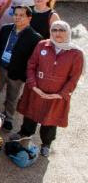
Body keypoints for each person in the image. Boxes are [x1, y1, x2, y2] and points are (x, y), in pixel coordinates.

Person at [15, 21, 84, 157]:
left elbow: (74, 78)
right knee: (30, 114)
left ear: (68, 32)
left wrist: (60, 94)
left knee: (50, 120)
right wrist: (33, 85)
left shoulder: (75, 53)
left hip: (56, 96)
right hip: (36, 91)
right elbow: (31, 65)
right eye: (54, 30)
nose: (57, 33)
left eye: (61, 30)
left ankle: (46, 143)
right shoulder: (42, 45)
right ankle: (25, 134)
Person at [0, 6, 42, 131]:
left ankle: (8, 118)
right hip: (0, 68)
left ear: (29, 18)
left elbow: (33, 60)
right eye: (16, 14)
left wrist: (24, 75)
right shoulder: (5, 29)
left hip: (17, 73)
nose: (17, 17)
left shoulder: (35, 37)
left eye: (21, 15)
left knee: (12, 97)